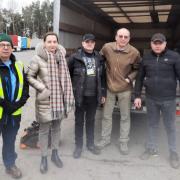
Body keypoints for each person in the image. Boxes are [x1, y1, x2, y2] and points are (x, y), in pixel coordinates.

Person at [27, 32, 74, 173]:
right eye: (49, 42)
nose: (52, 44)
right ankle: (44, 157)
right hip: (45, 101)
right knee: (44, 130)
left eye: (55, 42)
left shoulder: (61, 58)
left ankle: (54, 153)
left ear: (57, 43)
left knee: (57, 128)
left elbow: (65, 78)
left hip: (60, 101)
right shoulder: (37, 58)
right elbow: (29, 76)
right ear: (44, 43)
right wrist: (43, 89)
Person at [134, 33, 180, 169]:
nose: (158, 45)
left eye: (160, 43)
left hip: (168, 100)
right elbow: (140, 78)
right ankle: (151, 148)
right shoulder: (146, 58)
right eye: (155, 43)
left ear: (165, 44)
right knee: (151, 125)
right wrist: (137, 95)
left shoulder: (174, 57)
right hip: (151, 98)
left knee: (170, 127)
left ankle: (173, 153)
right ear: (151, 44)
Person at [97, 28, 141, 155]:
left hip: (125, 89)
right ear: (115, 37)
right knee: (106, 116)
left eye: (125, 37)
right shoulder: (107, 47)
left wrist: (129, 78)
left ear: (129, 39)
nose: (123, 39)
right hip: (110, 88)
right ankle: (105, 140)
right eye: (120, 36)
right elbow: (99, 60)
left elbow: (138, 68)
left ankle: (123, 142)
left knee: (125, 117)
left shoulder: (134, 52)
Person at [68, 33, 106, 159]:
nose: (90, 44)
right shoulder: (75, 58)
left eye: (92, 42)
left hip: (94, 96)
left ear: (94, 44)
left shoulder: (99, 58)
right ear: (83, 43)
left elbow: (103, 77)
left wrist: (103, 93)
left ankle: (90, 144)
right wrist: (70, 93)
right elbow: (67, 76)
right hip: (80, 96)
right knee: (79, 122)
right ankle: (78, 146)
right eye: (87, 41)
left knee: (91, 121)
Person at [0, 33, 29, 179]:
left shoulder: (18, 65)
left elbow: (25, 88)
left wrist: (18, 103)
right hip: (1, 112)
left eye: (8, 45)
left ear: (12, 48)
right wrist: (5, 104)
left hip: (14, 114)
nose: (5, 48)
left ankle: (10, 165)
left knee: (10, 141)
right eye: (2, 45)